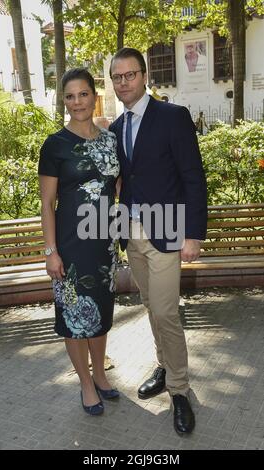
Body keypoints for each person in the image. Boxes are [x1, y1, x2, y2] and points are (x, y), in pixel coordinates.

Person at [109, 48, 207, 435]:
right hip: (131, 234)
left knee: (165, 311)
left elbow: (193, 177)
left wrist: (194, 233)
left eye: (129, 75)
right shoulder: (116, 129)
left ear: (144, 76)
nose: (122, 83)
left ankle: (179, 390)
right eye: (116, 77)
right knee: (151, 305)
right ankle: (164, 366)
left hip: (167, 233)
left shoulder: (172, 117)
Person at [38, 68, 120, 416]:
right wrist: (51, 252)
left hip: (104, 245)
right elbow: (47, 204)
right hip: (70, 247)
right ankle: (86, 384)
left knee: (100, 313)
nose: (77, 102)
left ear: (94, 95)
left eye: (83, 94)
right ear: (65, 101)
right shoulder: (55, 145)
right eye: (69, 96)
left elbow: (116, 187)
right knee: (74, 317)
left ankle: (100, 375)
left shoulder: (110, 140)